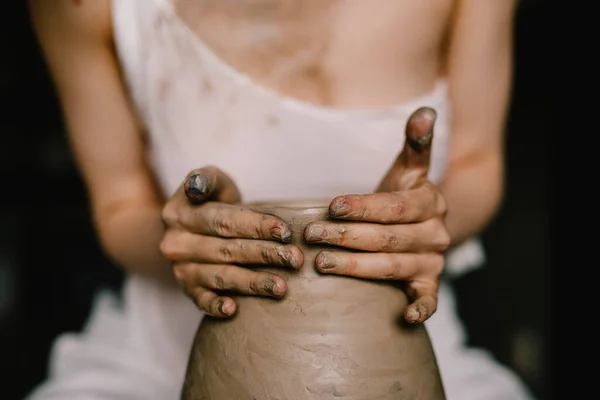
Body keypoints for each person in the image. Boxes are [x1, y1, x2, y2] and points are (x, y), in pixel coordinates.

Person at [26, 0, 534, 399]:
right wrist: (183, 237)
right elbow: (119, 204)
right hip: (159, 353)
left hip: (408, 343)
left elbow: (477, 165)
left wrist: (412, 220)